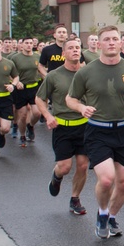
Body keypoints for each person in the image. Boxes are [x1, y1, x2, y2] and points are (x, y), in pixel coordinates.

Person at [66, 25, 124, 240]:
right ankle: (102, 213)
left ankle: (112, 216)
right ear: (98, 44)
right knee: (106, 180)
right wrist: (81, 108)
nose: (112, 43)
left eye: (115, 39)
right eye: (107, 39)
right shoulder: (86, 71)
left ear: (122, 42)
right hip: (98, 130)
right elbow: (70, 98)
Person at [36, 36, 89, 215]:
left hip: (85, 126)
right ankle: (56, 176)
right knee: (65, 167)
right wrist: (48, 116)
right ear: (63, 53)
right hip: (62, 126)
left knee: (82, 165)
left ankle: (75, 198)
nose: (75, 50)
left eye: (78, 48)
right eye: (71, 48)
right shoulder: (54, 76)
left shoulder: (87, 73)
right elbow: (39, 98)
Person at [12, 37, 44, 147]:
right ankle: (22, 135)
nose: (29, 45)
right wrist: (16, 82)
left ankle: (30, 126)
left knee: (37, 113)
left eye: (31, 43)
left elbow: (42, 70)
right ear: (22, 45)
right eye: (26, 43)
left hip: (34, 88)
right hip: (20, 89)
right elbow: (10, 74)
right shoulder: (15, 58)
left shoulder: (37, 56)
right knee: (23, 115)